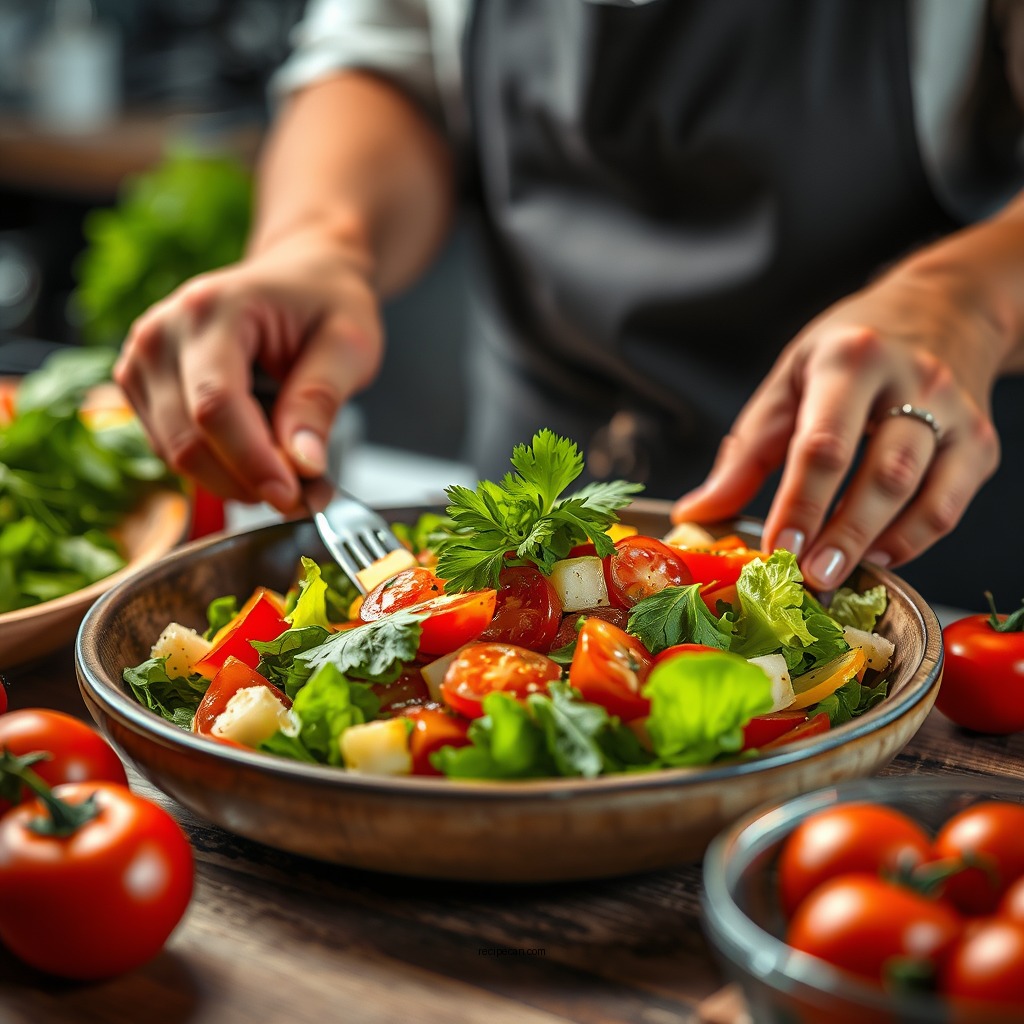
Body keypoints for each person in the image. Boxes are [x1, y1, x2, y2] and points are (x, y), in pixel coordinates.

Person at [114, 0, 1024, 603]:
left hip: (932, 572)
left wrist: (965, 301)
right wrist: (320, 241)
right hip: (520, 490)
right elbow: (388, 61)